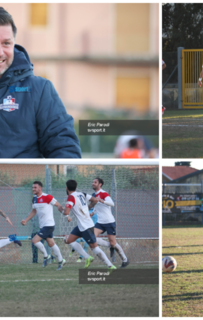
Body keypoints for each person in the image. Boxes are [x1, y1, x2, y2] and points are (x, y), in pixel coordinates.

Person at [0, 7, 81, 158]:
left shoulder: (40, 89)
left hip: (22, 182)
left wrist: (64, 180)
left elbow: (63, 146)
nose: (0, 52)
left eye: (6, 43)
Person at [63, 179, 116, 270]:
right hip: (81, 225)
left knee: (94, 248)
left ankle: (110, 266)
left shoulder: (71, 197)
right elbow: (95, 200)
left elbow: (66, 211)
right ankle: (87, 258)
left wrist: (63, 210)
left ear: (67, 188)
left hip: (86, 226)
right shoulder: (82, 194)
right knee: (69, 240)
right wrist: (88, 208)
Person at [21, 181, 66, 270]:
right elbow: (34, 210)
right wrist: (26, 220)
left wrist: (64, 212)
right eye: (33, 187)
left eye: (35, 187)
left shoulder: (47, 197)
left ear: (40, 188)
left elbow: (58, 205)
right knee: (51, 243)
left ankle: (46, 256)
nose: (33, 189)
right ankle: (61, 261)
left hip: (49, 225)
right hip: (43, 226)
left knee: (34, 240)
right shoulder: (34, 198)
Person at [89, 177, 129, 268]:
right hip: (100, 222)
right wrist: (93, 212)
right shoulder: (93, 195)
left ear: (100, 184)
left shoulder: (104, 193)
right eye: (93, 182)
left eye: (95, 182)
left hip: (109, 222)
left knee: (113, 243)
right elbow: (96, 206)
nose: (93, 183)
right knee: (91, 237)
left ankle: (125, 260)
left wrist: (102, 200)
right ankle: (110, 246)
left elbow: (112, 203)